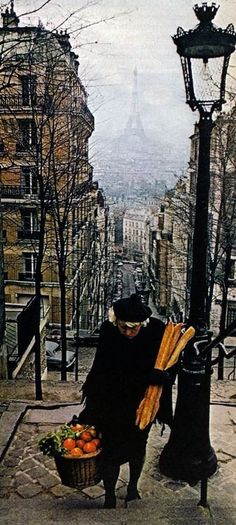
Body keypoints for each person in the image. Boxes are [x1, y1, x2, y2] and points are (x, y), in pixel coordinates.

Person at [78, 293, 176, 508]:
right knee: (110, 451)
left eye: (134, 328)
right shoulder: (108, 331)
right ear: (116, 323)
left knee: (138, 447)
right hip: (112, 402)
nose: (129, 332)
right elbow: (105, 369)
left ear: (143, 323)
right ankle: (110, 495)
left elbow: (170, 359)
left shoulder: (157, 331)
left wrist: (162, 375)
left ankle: (132, 489)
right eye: (124, 328)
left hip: (142, 403)